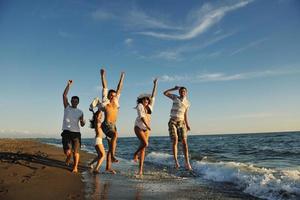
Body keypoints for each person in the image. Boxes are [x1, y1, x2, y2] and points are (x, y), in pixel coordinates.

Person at [99, 68, 125, 174]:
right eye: (111, 95)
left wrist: (122, 76)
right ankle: (113, 156)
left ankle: (108, 167)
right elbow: (105, 86)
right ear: (109, 95)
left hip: (114, 125)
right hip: (106, 124)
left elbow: (120, 88)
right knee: (115, 135)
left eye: (114, 96)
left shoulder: (116, 101)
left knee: (111, 145)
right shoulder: (106, 101)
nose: (112, 96)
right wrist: (102, 75)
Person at [163, 86, 192, 171]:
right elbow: (165, 93)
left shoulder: (188, 103)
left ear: (186, 92)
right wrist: (174, 89)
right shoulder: (175, 97)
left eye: (184, 91)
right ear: (179, 92)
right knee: (175, 140)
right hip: (172, 121)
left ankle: (187, 163)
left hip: (181, 122)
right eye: (181, 91)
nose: (182, 92)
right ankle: (176, 162)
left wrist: (187, 124)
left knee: (184, 142)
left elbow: (185, 114)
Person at [133, 78, 158, 176]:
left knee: (143, 149)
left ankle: (140, 171)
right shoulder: (140, 106)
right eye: (145, 99)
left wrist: (155, 84)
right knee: (145, 144)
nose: (146, 100)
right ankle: (135, 154)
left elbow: (154, 95)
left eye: (147, 99)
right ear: (141, 100)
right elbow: (142, 117)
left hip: (146, 129)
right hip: (139, 127)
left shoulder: (150, 107)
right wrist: (148, 126)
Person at [61, 80, 85, 173]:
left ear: (78, 102)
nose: (74, 102)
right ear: (71, 101)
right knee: (67, 152)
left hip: (76, 133)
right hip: (66, 132)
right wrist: (68, 85)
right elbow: (64, 95)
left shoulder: (80, 112)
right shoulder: (67, 107)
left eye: (76, 101)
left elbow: (82, 124)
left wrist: (83, 122)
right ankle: (68, 156)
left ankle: (75, 167)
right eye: (73, 100)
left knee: (76, 152)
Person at [88, 97, 105, 173]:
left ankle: (90, 163)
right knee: (103, 155)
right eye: (100, 116)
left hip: (97, 140)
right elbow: (98, 113)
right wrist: (99, 108)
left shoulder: (97, 122)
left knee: (99, 155)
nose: (101, 117)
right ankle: (96, 169)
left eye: (101, 116)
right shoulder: (97, 122)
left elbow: (98, 114)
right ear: (96, 117)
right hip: (98, 140)